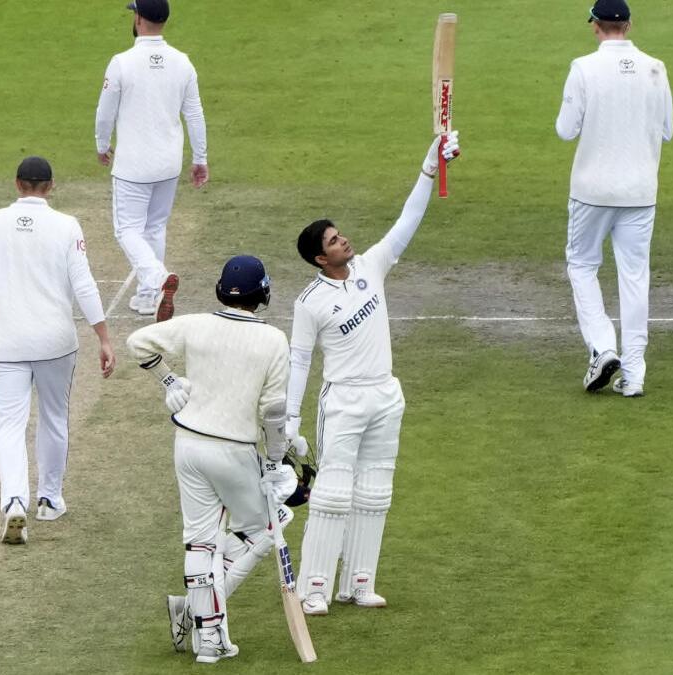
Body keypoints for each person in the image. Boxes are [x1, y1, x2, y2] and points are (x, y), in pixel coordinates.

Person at [286, 131, 461, 615]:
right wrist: (289, 421)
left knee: (375, 493)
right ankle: (313, 588)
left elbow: (409, 220)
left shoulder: (373, 265)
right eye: (334, 241)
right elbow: (299, 360)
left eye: (340, 234)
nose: (345, 240)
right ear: (321, 259)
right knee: (333, 496)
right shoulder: (310, 302)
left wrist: (429, 165)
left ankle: (359, 583)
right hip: (342, 400)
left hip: (386, 395)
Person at [126, 255, 294, 664]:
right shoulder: (273, 340)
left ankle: (207, 639)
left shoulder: (197, 324)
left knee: (201, 540)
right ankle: (199, 616)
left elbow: (137, 343)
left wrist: (169, 381)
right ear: (263, 293)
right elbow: (273, 413)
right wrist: (274, 461)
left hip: (188, 445)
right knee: (267, 528)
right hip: (233, 450)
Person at [0, 156, 116, 545]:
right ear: (50, 187)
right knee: (54, 417)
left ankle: (14, 500)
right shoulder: (67, 226)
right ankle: (49, 499)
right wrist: (103, 336)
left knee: (10, 424)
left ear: (17, 184)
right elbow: (83, 284)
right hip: (54, 342)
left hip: (6, 342)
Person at [555, 0, 673, 398]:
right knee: (635, 276)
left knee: (582, 265)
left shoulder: (583, 68)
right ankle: (634, 375)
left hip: (592, 190)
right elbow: (668, 129)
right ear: (629, 25)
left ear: (595, 27)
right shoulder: (656, 68)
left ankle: (603, 347)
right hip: (641, 190)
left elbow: (565, 129)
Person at [95, 0, 206, 321]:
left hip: (133, 166)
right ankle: (148, 297)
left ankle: (157, 279)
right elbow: (194, 113)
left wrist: (102, 145)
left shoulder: (121, 62)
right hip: (168, 164)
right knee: (154, 227)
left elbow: (105, 112)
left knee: (127, 229)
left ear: (139, 19)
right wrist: (200, 158)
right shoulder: (182, 62)